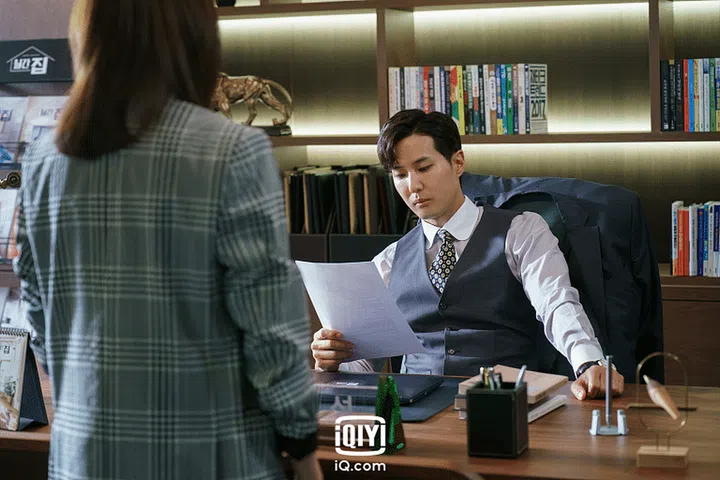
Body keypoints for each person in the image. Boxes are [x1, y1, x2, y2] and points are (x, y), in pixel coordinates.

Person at [13, 0, 322, 478]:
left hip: (82, 454)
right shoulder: (231, 150)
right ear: (193, 39)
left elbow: (38, 311)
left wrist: (90, 389)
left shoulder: (43, 159)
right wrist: (300, 440)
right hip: (210, 454)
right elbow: (269, 328)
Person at [311, 109, 624, 401]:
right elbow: (362, 368)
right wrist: (333, 359)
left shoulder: (522, 231)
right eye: (400, 174)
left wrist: (588, 362)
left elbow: (556, 303)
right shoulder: (388, 261)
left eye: (423, 168)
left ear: (457, 162)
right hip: (416, 410)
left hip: (503, 404)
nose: (413, 185)